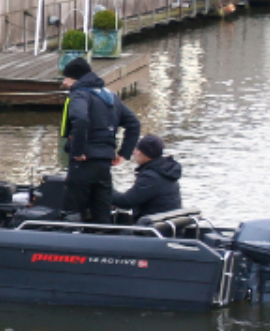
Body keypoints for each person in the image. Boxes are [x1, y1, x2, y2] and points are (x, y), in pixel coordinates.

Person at [59, 56, 141, 225]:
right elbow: (134, 124)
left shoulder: (80, 94)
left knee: (73, 209)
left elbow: (80, 119)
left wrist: (78, 150)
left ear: (75, 78)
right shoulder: (110, 95)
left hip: (83, 161)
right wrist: (124, 153)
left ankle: (70, 244)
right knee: (101, 209)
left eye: (66, 77)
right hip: (105, 163)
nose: (64, 82)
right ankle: (103, 238)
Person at [111, 134, 184, 220]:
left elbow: (127, 202)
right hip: (165, 224)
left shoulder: (151, 177)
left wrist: (104, 189)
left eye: (137, 149)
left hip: (152, 228)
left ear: (143, 153)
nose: (134, 152)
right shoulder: (166, 171)